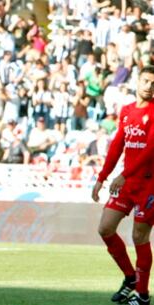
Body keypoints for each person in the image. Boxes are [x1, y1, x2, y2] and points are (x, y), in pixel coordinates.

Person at [92, 65, 154, 305]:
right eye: (146, 81)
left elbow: (150, 150)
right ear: (138, 82)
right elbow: (118, 145)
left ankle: (142, 295)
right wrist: (101, 177)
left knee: (140, 236)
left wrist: (124, 174)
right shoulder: (127, 111)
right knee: (105, 228)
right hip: (128, 183)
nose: (149, 87)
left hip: (149, 185)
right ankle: (130, 277)